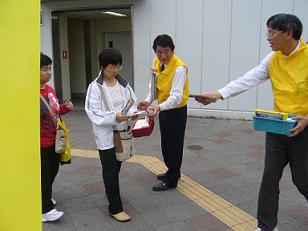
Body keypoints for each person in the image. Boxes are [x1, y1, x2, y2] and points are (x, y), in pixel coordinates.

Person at [196, 14, 308, 231]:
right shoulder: (272, 58)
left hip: (303, 129)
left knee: (302, 180)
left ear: (288, 33)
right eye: (268, 32)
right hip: (278, 126)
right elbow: (248, 79)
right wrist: (218, 94)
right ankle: (266, 226)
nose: (268, 37)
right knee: (269, 177)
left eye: (272, 32)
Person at [85, 48, 137, 222]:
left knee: (117, 164)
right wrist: (114, 116)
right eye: (111, 67)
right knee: (110, 169)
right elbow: (93, 112)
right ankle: (115, 207)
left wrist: (134, 113)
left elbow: (132, 102)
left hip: (121, 132)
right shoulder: (95, 87)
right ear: (102, 66)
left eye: (117, 66)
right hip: (106, 135)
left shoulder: (123, 83)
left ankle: (110, 191)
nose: (115, 71)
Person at [138, 34, 189, 191]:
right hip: (164, 109)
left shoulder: (179, 68)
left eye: (166, 51)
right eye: (159, 52)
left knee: (174, 145)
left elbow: (176, 97)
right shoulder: (157, 62)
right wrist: (148, 100)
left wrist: (158, 107)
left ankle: (172, 180)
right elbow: (153, 86)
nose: (163, 56)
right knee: (166, 144)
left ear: (172, 50)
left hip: (176, 111)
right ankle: (173, 171)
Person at [40, 53, 73, 222]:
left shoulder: (49, 89)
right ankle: (45, 210)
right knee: (44, 175)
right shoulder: (28, 93)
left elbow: (54, 110)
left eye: (50, 69)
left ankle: (43, 197)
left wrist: (64, 108)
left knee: (53, 170)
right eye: (45, 69)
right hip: (40, 142)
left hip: (55, 139)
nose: (49, 73)